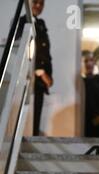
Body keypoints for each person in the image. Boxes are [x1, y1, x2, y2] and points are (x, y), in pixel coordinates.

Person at [17, 0, 53, 136]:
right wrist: (38, 71)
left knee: (36, 118)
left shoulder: (41, 24)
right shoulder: (22, 22)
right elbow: (23, 48)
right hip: (29, 78)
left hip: (40, 82)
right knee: (26, 119)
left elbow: (46, 54)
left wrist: (48, 75)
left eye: (41, 3)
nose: (38, 6)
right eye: (35, 2)